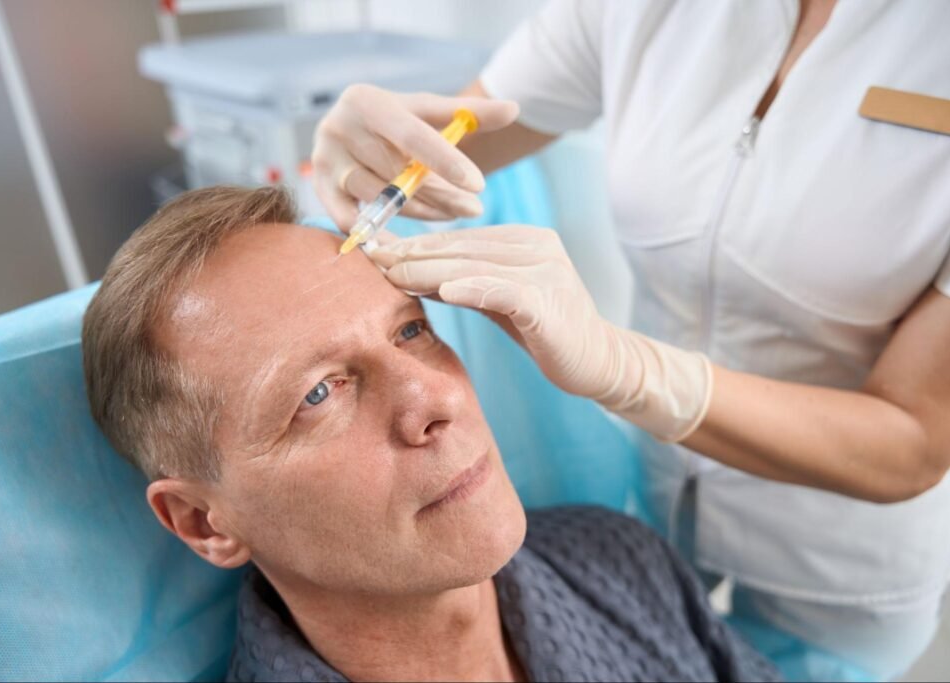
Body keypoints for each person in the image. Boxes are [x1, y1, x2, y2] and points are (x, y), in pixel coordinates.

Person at [309, 0, 950, 678]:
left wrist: (634, 371)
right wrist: (376, 154)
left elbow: (913, 433)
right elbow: (463, 141)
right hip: (654, 505)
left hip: (838, 558)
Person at [80, 185, 779, 682]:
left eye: (411, 330)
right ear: (205, 521)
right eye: (318, 393)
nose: (434, 396)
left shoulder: (618, 560)